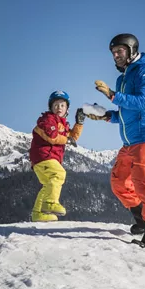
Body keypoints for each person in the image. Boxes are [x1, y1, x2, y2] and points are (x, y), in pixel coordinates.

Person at [87, 33, 145, 244]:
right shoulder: (122, 78)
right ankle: (142, 220)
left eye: (120, 51)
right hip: (129, 141)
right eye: (113, 53)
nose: (116, 56)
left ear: (132, 50)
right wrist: (106, 116)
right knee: (119, 182)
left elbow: (143, 103)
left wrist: (113, 95)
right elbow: (125, 113)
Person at [29, 90, 84, 222]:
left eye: (62, 105)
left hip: (42, 159)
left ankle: (37, 213)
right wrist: (67, 140)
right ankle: (50, 203)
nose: (59, 108)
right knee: (59, 174)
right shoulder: (48, 120)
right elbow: (52, 137)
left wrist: (79, 123)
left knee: (48, 185)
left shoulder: (63, 124)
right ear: (51, 108)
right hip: (44, 155)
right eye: (56, 105)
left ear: (67, 109)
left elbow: (73, 137)